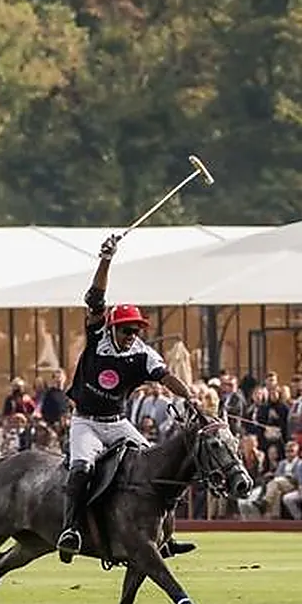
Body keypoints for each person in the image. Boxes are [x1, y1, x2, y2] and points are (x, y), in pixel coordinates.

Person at [59, 233, 198, 563]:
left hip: (118, 423)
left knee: (154, 467)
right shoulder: (98, 337)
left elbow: (166, 377)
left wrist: (189, 396)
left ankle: (165, 537)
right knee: (82, 468)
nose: (131, 336)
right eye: (126, 330)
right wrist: (106, 259)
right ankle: (70, 529)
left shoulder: (142, 354)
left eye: (135, 330)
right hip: (86, 423)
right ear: (113, 327)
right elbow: (94, 298)